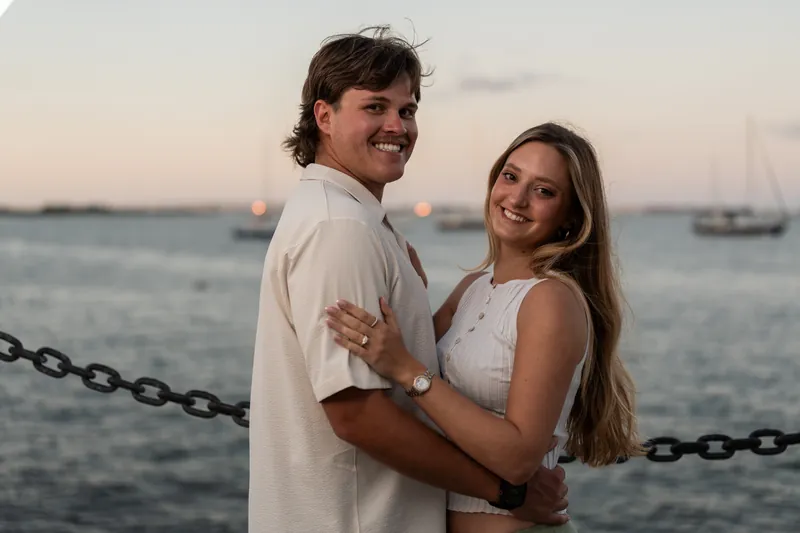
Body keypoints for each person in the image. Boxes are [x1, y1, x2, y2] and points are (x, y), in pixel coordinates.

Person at [247, 27, 569, 533]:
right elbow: (356, 413)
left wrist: (413, 295)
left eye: (408, 109)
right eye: (375, 107)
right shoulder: (340, 228)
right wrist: (504, 493)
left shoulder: (349, 219)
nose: (397, 125)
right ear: (324, 116)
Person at [325, 122, 646, 532]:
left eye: (544, 191)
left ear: (570, 217)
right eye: (511, 177)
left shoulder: (550, 300)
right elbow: (403, 358)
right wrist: (407, 291)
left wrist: (409, 372)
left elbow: (518, 458)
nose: (518, 198)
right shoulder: (472, 288)